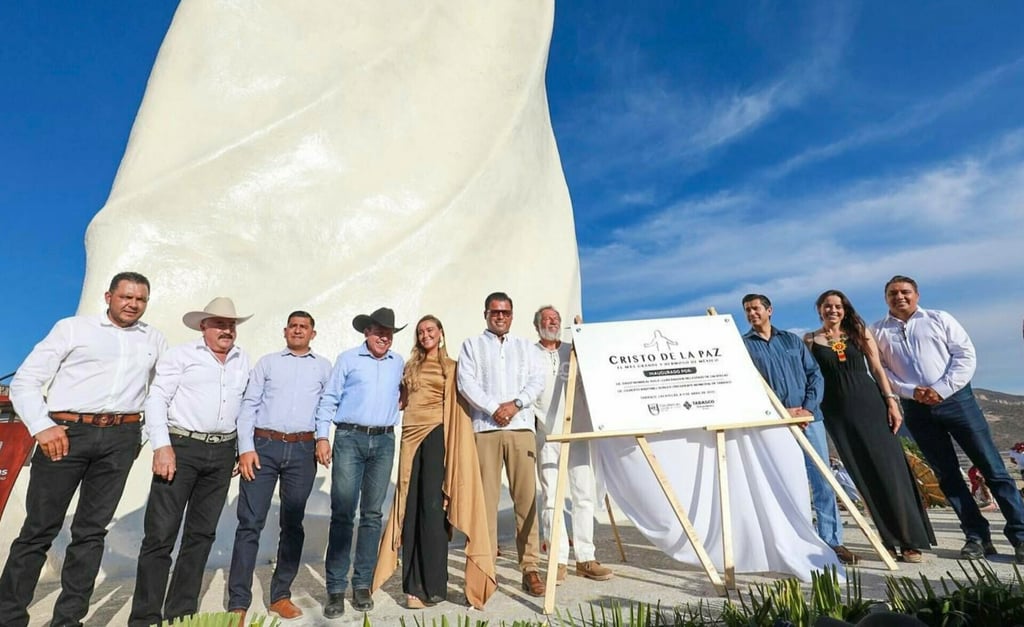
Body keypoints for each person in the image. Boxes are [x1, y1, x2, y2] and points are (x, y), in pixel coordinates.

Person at [0, 272, 166, 627]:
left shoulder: (153, 339)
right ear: (108, 296)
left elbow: (158, 393)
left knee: (91, 532)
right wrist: (42, 426)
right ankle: (9, 617)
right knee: (39, 528)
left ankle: (68, 620)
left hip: (120, 439)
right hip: (65, 434)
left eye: (140, 299)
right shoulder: (72, 329)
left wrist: (142, 437)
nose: (132, 304)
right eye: (126, 297)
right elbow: (25, 381)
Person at [872, 275, 1024, 562]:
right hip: (916, 408)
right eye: (893, 293)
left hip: (957, 402)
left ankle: (1020, 534)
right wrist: (910, 391)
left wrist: (940, 390)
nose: (900, 297)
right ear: (886, 298)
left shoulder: (939, 319)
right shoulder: (878, 331)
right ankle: (976, 536)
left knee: (993, 468)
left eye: (905, 292)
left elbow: (964, 355)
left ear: (916, 294)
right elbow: (880, 371)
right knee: (948, 476)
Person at [129, 297, 252, 627]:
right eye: (219, 323)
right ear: (204, 326)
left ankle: (180, 615)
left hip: (222, 452)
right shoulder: (182, 356)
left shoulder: (242, 360)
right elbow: (157, 399)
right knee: (160, 535)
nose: (227, 329)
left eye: (231, 324)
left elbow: (242, 409)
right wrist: (161, 446)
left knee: (200, 536)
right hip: (181, 447)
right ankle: (144, 618)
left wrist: (241, 448)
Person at [372, 315, 496, 609]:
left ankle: (434, 586)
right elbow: (401, 400)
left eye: (430, 330)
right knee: (409, 507)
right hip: (410, 440)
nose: (425, 334)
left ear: (441, 332)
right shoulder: (409, 366)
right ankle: (413, 587)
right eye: (421, 331)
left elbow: (463, 403)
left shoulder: (452, 367)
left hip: (437, 436)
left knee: (432, 508)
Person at [805, 289, 935, 563]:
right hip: (837, 414)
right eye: (827, 306)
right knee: (862, 476)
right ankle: (886, 539)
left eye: (838, 306)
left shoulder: (860, 333)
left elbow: (877, 369)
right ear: (819, 310)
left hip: (869, 405)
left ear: (845, 309)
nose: (833, 310)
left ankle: (911, 540)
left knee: (890, 469)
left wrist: (891, 401)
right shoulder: (809, 340)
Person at [225, 311, 332, 623]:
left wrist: (323, 439)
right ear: (286, 331)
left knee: (293, 524)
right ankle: (238, 602)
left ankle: (280, 596)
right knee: (250, 524)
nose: (298, 331)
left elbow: (326, 407)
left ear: (313, 333)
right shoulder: (268, 363)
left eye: (304, 327)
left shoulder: (324, 367)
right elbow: (249, 405)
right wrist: (244, 448)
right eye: (293, 326)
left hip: (303, 449)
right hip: (264, 447)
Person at [741, 293, 857, 564]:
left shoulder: (793, 341)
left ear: (769, 310)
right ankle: (796, 542)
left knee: (823, 480)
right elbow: (749, 385)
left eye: (756, 308)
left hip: (809, 418)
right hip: (775, 423)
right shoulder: (744, 347)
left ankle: (832, 542)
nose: (752, 314)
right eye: (747, 310)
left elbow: (814, 374)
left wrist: (806, 407)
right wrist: (783, 412)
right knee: (785, 482)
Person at [314, 307, 406, 617]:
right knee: (342, 512)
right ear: (367, 332)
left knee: (371, 514)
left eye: (389, 332)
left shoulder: (398, 363)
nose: (384, 336)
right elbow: (329, 398)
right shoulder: (348, 359)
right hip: (350, 438)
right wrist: (322, 437)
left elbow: (404, 396)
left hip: (383, 440)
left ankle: (362, 583)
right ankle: (336, 589)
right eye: (379, 330)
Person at [457, 292, 547, 597]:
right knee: (486, 502)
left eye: (506, 312)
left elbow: (537, 381)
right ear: (485, 314)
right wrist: (494, 406)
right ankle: (486, 568)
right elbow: (466, 383)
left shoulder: (526, 347)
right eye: (495, 312)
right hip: (485, 429)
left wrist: (515, 404)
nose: (500, 316)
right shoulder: (472, 345)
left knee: (526, 499)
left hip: (521, 427)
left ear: (512, 315)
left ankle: (530, 568)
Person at [532, 306, 612, 583]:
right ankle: (557, 559)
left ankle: (585, 557)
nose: (551, 322)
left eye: (555, 319)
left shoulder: (574, 349)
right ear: (537, 325)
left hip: (577, 430)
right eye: (546, 319)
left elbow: (598, 367)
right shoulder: (530, 354)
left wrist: (584, 334)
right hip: (547, 434)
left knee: (583, 495)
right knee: (551, 498)